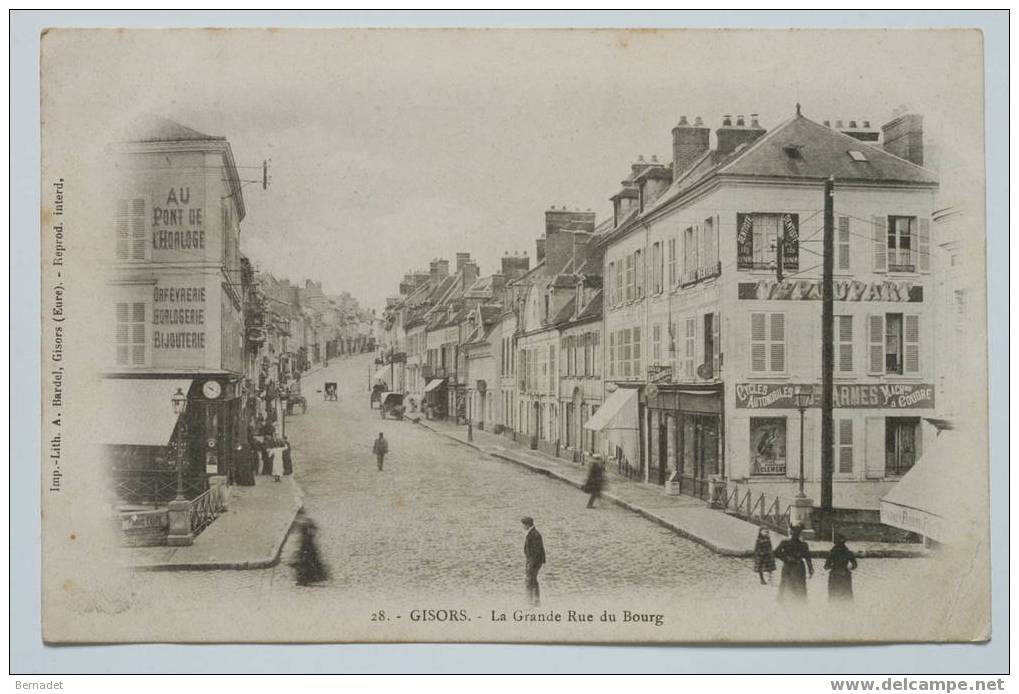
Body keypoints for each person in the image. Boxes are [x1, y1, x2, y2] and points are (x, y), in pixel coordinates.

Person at [773, 525, 813, 602]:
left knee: (786, 582)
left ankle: (784, 599)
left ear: (791, 533)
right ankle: (800, 600)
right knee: (799, 583)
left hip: (789, 566)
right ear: (800, 534)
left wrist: (786, 559)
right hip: (798, 566)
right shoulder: (803, 545)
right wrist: (810, 568)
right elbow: (808, 558)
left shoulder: (785, 543)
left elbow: (776, 553)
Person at [290, 515, 329, 586]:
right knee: (305, 561)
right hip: (306, 545)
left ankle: (304, 579)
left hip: (307, 545)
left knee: (305, 561)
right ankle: (303, 579)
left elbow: (313, 529)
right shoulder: (304, 521)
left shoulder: (304, 521)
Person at [824, 534, 858, 602]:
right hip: (845, 575)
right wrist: (849, 568)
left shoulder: (832, 552)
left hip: (835, 575)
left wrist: (832, 566)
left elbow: (826, 566)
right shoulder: (848, 552)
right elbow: (854, 565)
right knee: (846, 596)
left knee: (834, 596)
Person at [521, 516, 546, 606]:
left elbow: (536, 551)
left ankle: (529, 601)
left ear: (527, 525)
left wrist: (530, 564)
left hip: (534, 561)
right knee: (533, 580)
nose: (523, 527)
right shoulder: (532, 533)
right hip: (533, 560)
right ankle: (536, 600)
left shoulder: (534, 534)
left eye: (523, 525)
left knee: (529, 580)